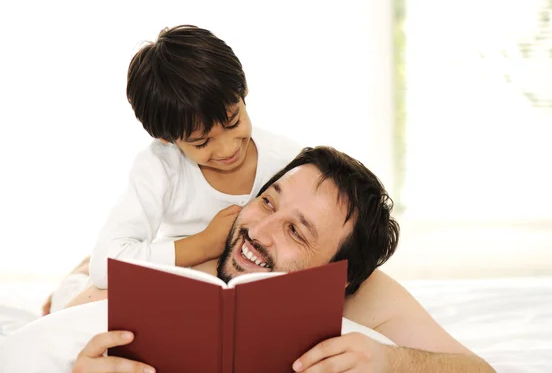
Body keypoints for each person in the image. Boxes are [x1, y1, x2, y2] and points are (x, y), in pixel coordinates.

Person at [16, 147, 494, 373]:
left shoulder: (369, 296)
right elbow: (72, 315)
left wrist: (394, 362)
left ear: (339, 276)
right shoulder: (214, 242)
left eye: (296, 231)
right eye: (268, 200)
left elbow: (478, 372)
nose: (259, 231)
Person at [42, 24, 302, 313]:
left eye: (233, 122)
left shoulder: (288, 161)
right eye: (202, 142)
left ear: (244, 93)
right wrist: (205, 243)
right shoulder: (160, 166)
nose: (228, 149)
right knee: (74, 306)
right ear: (167, 139)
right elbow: (106, 266)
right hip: (173, 268)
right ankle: (72, 282)